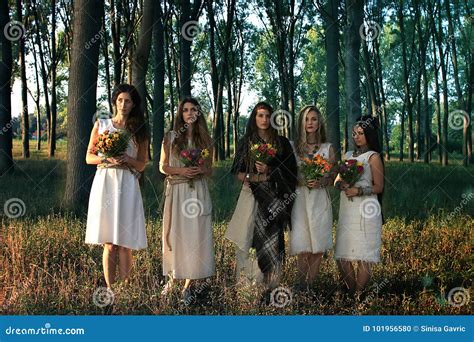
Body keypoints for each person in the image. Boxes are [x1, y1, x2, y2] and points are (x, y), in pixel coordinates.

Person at [225, 101, 297, 291]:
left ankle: (270, 285)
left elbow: (291, 173)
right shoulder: (246, 142)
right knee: (246, 239)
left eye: (267, 116)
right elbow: (238, 173)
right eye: (260, 115)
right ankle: (246, 286)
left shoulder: (281, 143)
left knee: (272, 241)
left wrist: (270, 171)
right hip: (250, 197)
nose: (264, 119)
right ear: (254, 118)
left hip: (274, 199)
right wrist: (255, 177)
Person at [85, 84, 149, 289]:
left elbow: (142, 163)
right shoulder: (102, 125)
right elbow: (88, 157)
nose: (123, 104)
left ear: (134, 104)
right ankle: (111, 290)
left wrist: (128, 159)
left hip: (128, 184)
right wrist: (106, 160)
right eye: (120, 100)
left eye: (128, 101)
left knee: (124, 242)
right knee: (110, 243)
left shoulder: (138, 130)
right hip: (106, 182)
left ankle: (126, 289)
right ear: (114, 102)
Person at [159, 97, 215, 303]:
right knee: (176, 236)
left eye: (193, 110)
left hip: (197, 191)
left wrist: (200, 169)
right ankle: (173, 277)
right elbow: (163, 167)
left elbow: (210, 169)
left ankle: (187, 286)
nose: (189, 113)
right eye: (185, 110)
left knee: (194, 237)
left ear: (198, 114)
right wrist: (183, 170)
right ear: (180, 114)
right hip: (178, 190)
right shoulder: (171, 137)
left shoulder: (205, 140)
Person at [334, 115, 384, 295]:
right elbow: (336, 181)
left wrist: (358, 191)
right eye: (354, 133)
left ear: (369, 135)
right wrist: (343, 185)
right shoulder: (347, 155)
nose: (356, 137)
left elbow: (379, 186)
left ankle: (358, 297)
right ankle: (352, 291)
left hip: (366, 210)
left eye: (361, 133)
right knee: (342, 255)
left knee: (364, 255)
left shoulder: (373, 157)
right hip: (347, 210)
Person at [290, 105, 336, 290]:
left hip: (319, 200)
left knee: (318, 247)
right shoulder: (293, 148)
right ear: (302, 122)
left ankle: (309, 287)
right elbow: (287, 175)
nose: (310, 123)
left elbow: (334, 178)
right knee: (303, 247)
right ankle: (301, 286)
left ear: (319, 123)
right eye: (307, 119)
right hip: (300, 200)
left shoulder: (328, 148)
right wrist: (301, 179)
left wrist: (323, 180)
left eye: (314, 119)